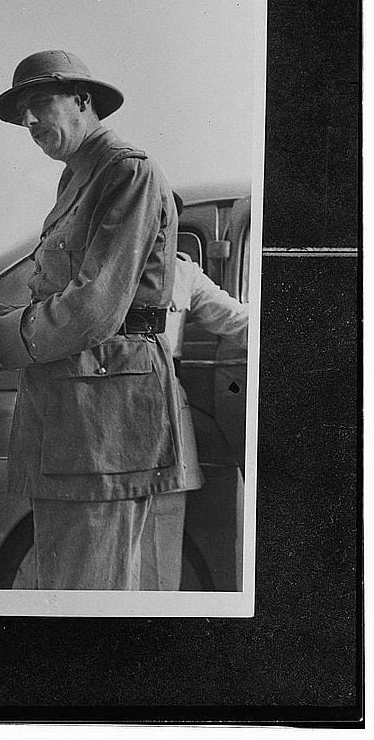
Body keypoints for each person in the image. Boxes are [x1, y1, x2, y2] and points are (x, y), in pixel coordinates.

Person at [0, 50, 202, 590]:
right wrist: (1, 314)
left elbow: (94, 307)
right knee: (70, 583)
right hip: (77, 414)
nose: (30, 122)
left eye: (40, 104)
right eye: (23, 113)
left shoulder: (125, 170)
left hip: (107, 419)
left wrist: (3, 328)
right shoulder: (78, 176)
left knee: (94, 590)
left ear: (83, 102)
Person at [139, 193, 250, 590]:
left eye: (163, 219)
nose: (154, 228)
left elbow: (238, 320)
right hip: (104, 416)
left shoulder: (183, 272)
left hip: (164, 411)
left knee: (161, 546)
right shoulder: (94, 269)